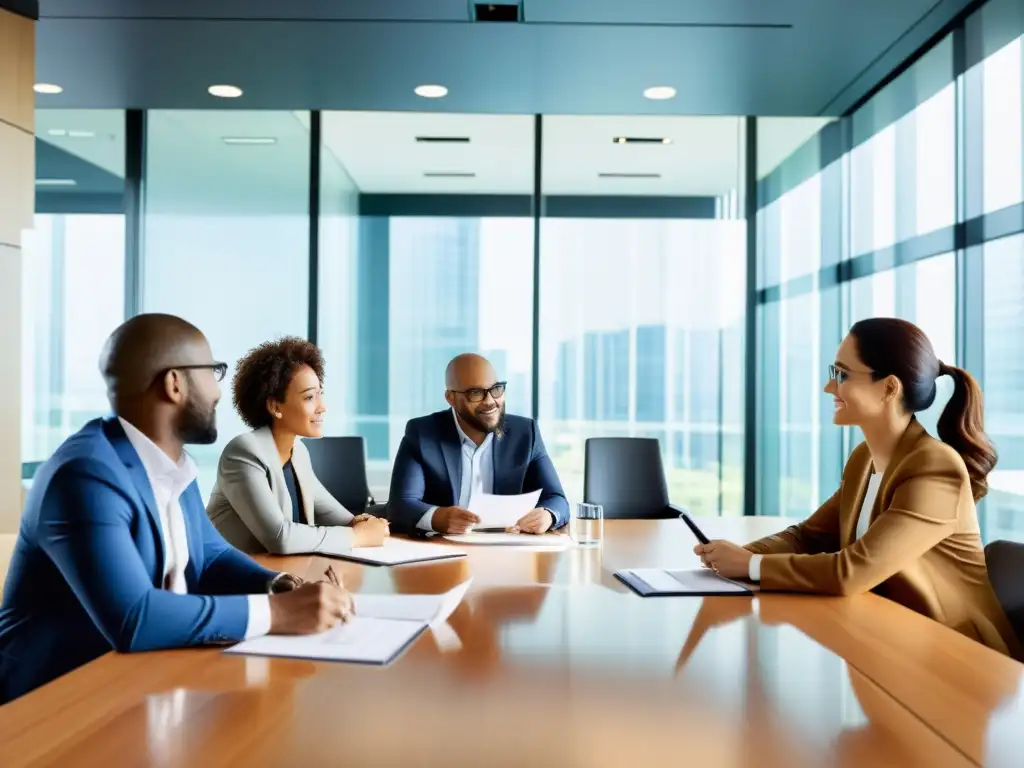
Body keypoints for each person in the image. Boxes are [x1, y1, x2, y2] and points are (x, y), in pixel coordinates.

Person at [0, 315, 354, 704]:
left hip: (146, 684)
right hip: (52, 707)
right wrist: (278, 613)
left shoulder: (172, 463)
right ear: (174, 383)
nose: (219, 393)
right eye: (213, 371)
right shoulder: (84, 475)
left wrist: (277, 585)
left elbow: (210, 557)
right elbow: (136, 617)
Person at [696, 317, 1021, 659]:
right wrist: (735, 555)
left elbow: (852, 571)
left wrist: (750, 566)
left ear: (889, 388)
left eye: (842, 375)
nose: (829, 388)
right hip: (894, 643)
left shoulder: (936, 468)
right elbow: (807, 536)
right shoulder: (864, 458)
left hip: (959, 659)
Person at [206, 337, 389, 555]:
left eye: (320, 394)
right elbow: (281, 538)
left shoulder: (298, 452)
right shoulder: (243, 452)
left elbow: (339, 517)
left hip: (283, 574)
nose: (323, 407)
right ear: (275, 406)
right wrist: (359, 536)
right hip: (230, 581)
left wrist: (367, 523)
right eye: (310, 397)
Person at [387, 353, 569, 534]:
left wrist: (547, 515)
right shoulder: (423, 433)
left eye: (496, 389)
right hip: (444, 549)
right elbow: (401, 505)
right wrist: (437, 518)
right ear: (450, 398)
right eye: (476, 393)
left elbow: (557, 499)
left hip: (507, 549)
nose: (490, 401)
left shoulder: (525, 432)